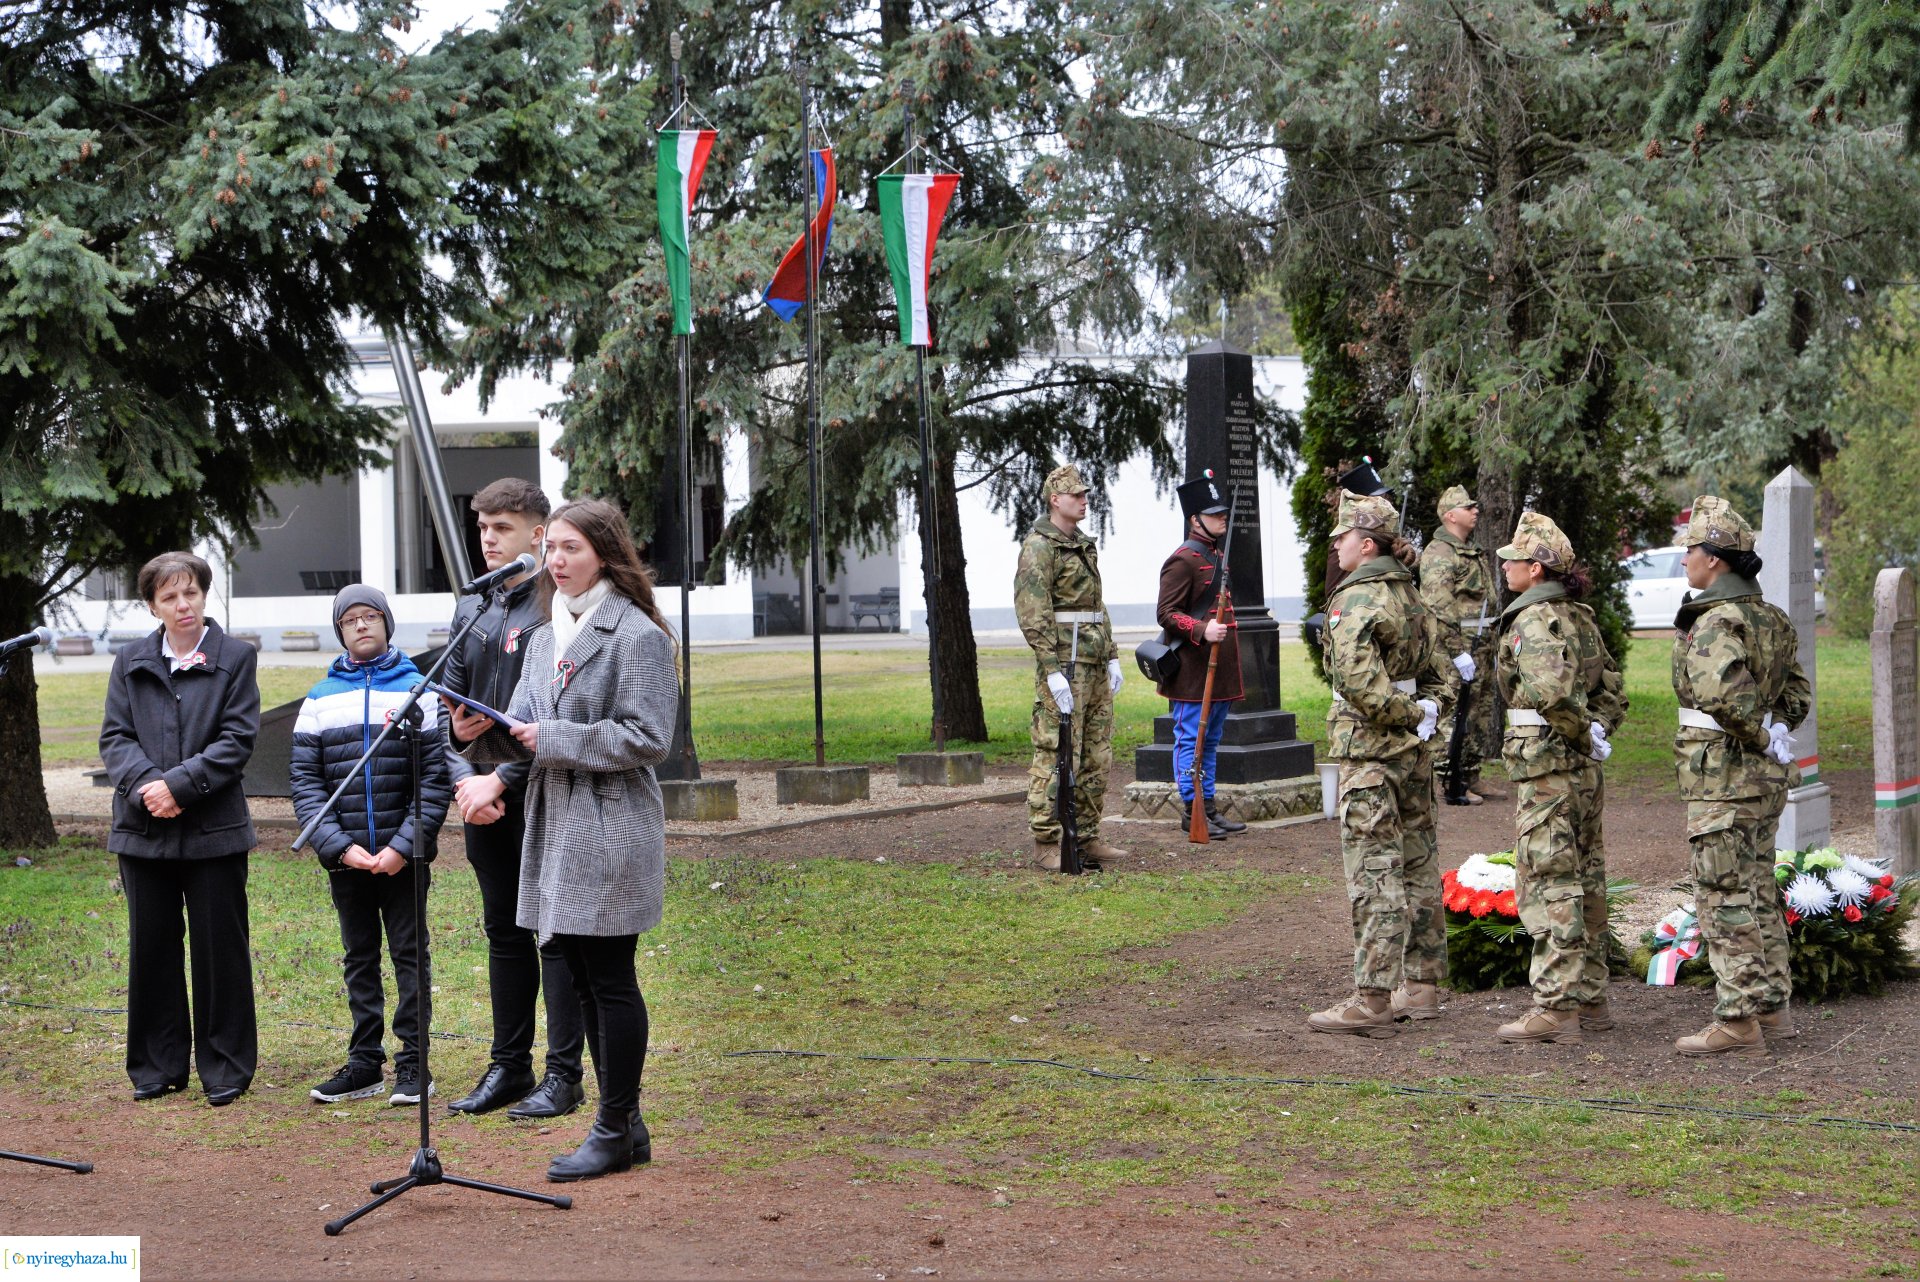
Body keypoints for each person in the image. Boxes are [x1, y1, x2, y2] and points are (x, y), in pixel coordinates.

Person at [450, 497, 679, 1182]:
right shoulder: (547, 633)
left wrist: (551, 737)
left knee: (609, 977)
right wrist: (482, 750)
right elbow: (522, 720)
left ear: (605, 554)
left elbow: (649, 737)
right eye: (550, 547)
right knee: (577, 973)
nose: (555, 560)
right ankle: (626, 1127)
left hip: (610, 822)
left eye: (570, 548)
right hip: (554, 820)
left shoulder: (635, 634)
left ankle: (613, 1126)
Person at [440, 479, 589, 1121]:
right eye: (482, 528)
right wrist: (462, 772)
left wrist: (502, 779)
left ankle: (563, 1074)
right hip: (481, 797)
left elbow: (566, 714)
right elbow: (445, 705)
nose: (488, 540)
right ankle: (509, 1065)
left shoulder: (559, 604)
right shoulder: (474, 607)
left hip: (543, 791)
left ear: (538, 533)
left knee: (554, 933)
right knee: (504, 930)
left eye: (501, 528)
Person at [100, 552, 261, 1107]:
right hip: (143, 830)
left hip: (214, 831)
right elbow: (115, 737)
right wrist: (149, 787)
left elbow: (237, 739)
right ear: (153, 607)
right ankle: (157, 1065)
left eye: (190, 592)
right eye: (169, 597)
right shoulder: (130, 661)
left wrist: (180, 787)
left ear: (204, 595)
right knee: (152, 949)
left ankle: (226, 1066)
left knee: (220, 951)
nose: (182, 604)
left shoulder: (236, 657)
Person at [291, 586, 452, 1106]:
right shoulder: (318, 700)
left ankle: (414, 1063)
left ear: (387, 623)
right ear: (340, 631)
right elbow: (306, 784)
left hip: (403, 858)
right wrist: (338, 847)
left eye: (371, 616)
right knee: (359, 957)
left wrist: (404, 846)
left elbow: (435, 779)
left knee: (409, 955)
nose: (361, 625)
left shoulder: (419, 691)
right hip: (348, 860)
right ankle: (364, 1064)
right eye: (350, 620)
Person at [1308, 491, 1453, 1035]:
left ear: (1367, 545)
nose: (1336, 546)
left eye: (1342, 537)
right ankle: (1421, 987)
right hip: (1412, 752)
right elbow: (1442, 673)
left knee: (1375, 871)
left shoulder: (1357, 600)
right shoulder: (1411, 595)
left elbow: (1359, 684)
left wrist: (1409, 713)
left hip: (1369, 752)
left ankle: (1372, 1001)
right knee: (1418, 864)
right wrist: (1427, 712)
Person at [1669, 496, 1807, 1057]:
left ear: (1715, 558)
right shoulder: (1771, 616)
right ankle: (1772, 1008)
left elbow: (1723, 696)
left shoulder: (1716, 619)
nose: (1684, 560)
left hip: (1723, 775)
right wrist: (1775, 729)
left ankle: (1739, 1018)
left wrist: (1756, 732)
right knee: (1757, 888)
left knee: (1723, 893)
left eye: (1690, 550)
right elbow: (1797, 692)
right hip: (1762, 778)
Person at [1488, 513, 1628, 1045]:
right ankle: (1591, 998)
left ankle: (1557, 1005)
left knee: (1550, 879)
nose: (1506, 567)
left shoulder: (1533, 619)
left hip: (1549, 767)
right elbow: (1612, 688)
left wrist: (1581, 732)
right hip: (1580, 768)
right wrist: (1597, 731)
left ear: (1537, 568)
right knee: (1587, 875)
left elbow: (1551, 694)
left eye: (1515, 560)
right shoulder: (1579, 616)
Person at [1013, 463, 1129, 870]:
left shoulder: (1082, 545)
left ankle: (1087, 836)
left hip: (1093, 663)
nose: (1084, 501)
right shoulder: (1039, 547)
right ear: (1055, 499)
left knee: (1096, 753)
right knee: (1057, 750)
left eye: (1084, 495)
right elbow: (1033, 611)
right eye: (1076, 495)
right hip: (1066, 664)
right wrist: (1051, 668)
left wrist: (1112, 655)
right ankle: (1047, 840)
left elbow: (1096, 605)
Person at [1155, 471, 1245, 839]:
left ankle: (1207, 807)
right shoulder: (1183, 559)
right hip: (1193, 671)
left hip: (1219, 669)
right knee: (1191, 740)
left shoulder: (1216, 554)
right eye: (1213, 514)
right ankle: (1192, 808)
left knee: (1211, 741)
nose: (1222, 517)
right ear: (1195, 520)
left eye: (1222, 512)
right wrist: (1201, 629)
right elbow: (1166, 613)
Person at [1419, 485, 1501, 804]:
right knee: (1453, 710)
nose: (1475, 510)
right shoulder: (1440, 552)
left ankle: (1470, 773)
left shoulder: (1470, 549)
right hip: (1456, 645)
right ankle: (1447, 778)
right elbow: (1439, 608)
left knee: (1478, 711)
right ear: (1451, 515)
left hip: (1480, 642)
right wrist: (1457, 652)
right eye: (1468, 507)